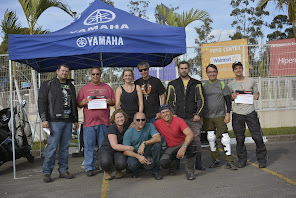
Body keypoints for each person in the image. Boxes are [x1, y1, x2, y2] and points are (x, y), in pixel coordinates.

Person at [38, 64, 79, 183]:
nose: (64, 73)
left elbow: (73, 104)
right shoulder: (48, 84)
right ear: (57, 71)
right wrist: (44, 119)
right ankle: (47, 172)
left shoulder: (70, 86)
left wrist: (75, 120)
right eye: (62, 71)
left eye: (67, 71)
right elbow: (42, 102)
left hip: (68, 121)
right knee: (51, 147)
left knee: (65, 148)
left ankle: (63, 171)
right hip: (53, 121)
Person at [166, 61, 206, 171]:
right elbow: (169, 101)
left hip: (193, 118)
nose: (184, 70)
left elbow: (201, 100)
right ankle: (175, 163)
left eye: (186, 68)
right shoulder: (172, 84)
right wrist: (173, 114)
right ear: (179, 70)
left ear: (189, 69)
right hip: (177, 118)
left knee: (196, 140)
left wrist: (198, 114)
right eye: (182, 68)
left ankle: (198, 162)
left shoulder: (196, 83)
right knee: (176, 140)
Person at [77, 67, 115, 176]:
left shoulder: (107, 88)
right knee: (89, 146)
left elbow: (113, 102)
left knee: (104, 146)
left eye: (97, 74)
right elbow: (78, 104)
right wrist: (83, 102)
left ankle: (104, 165)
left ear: (100, 75)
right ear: (90, 75)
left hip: (104, 122)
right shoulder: (84, 89)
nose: (95, 76)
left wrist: (109, 101)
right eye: (93, 74)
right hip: (89, 123)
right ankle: (89, 167)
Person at [228, 61, 267, 168]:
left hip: (250, 112)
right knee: (239, 138)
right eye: (236, 69)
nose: (238, 70)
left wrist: (256, 96)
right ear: (233, 71)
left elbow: (257, 93)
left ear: (242, 69)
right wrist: (232, 96)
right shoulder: (230, 84)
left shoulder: (251, 81)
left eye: (240, 68)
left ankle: (262, 159)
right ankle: (242, 160)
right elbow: (229, 98)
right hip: (237, 113)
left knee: (257, 137)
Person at [202, 64, 238, 170]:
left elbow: (228, 100)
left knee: (225, 138)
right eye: (209, 72)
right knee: (211, 138)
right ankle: (216, 160)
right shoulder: (203, 85)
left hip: (220, 115)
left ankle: (229, 160)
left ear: (217, 72)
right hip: (208, 116)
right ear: (206, 74)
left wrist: (228, 114)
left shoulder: (222, 84)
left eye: (214, 71)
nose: (212, 74)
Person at [154, 105, 197, 180]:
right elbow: (147, 129)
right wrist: (134, 123)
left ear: (171, 112)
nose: (166, 114)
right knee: (164, 163)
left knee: (192, 145)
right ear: (160, 115)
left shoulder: (178, 120)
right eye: (163, 112)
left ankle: (189, 171)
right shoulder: (157, 123)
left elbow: (190, 134)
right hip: (171, 147)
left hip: (182, 143)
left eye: (167, 111)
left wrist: (184, 147)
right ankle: (174, 162)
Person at [123, 112, 163, 180]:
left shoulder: (150, 126)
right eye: (138, 120)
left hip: (147, 151)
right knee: (132, 165)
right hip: (135, 154)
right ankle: (136, 171)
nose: (140, 122)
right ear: (134, 121)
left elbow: (158, 138)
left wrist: (144, 143)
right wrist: (139, 157)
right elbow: (125, 151)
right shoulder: (129, 132)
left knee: (157, 145)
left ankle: (155, 171)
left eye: (143, 120)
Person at [99, 109, 134, 180]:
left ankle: (119, 170)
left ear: (124, 117)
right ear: (114, 120)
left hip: (119, 150)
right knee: (105, 162)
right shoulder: (112, 128)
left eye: (121, 117)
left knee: (121, 163)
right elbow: (114, 146)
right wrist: (129, 148)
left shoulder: (127, 127)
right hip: (107, 149)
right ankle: (107, 171)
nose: (120, 119)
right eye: (117, 118)